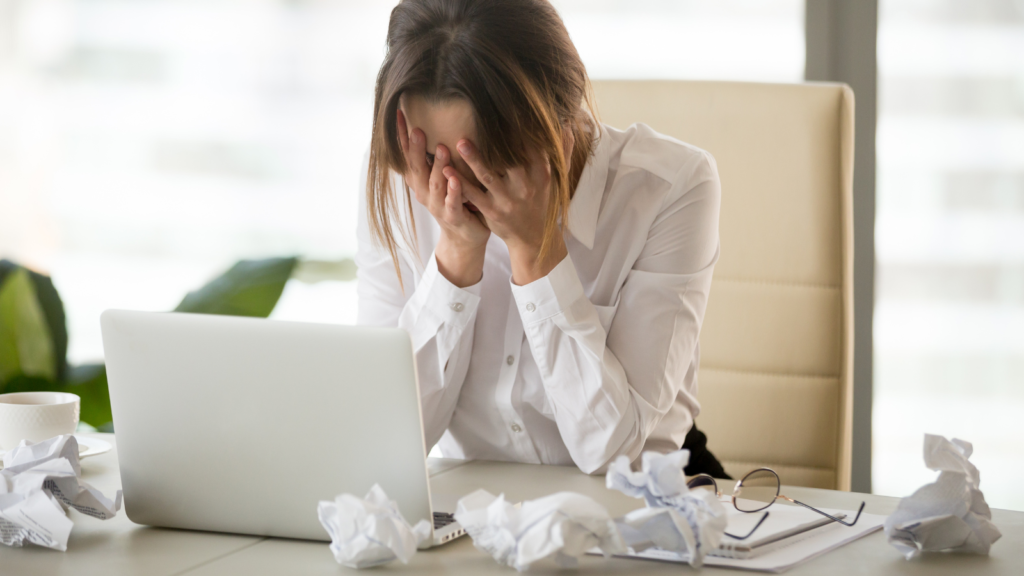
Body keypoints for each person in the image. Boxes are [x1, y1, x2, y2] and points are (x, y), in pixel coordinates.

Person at [356, 0, 727, 477]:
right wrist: (454, 255)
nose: (450, 184)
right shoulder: (403, 181)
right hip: (478, 519)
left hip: (635, 512)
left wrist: (537, 256)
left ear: (561, 122)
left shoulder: (670, 187)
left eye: (482, 164)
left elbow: (613, 453)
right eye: (432, 155)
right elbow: (384, 440)